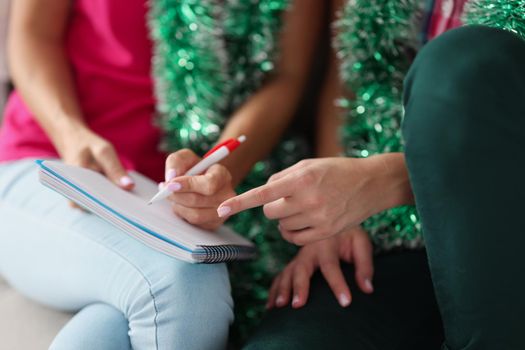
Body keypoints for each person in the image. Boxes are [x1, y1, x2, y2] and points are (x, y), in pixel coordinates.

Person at [0, 0, 322, 348]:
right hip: (50, 164)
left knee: (115, 324)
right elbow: (33, 34)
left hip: (170, 202)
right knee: (187, 282)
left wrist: (220, 171)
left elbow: (285, 76)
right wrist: (70, 133)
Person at [215, 1, 525, 349]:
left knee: (460, 62)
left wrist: (387, 179)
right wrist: (331, 204)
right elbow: (348, 75)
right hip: (386, 238)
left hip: (505, 234)